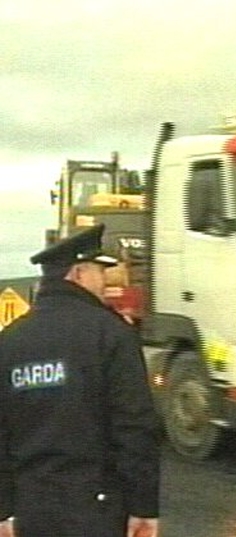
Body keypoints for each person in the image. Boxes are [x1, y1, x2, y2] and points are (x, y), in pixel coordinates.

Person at [0, 224, 160, 537]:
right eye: (100, 272)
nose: (105, 282)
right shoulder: (111, 335)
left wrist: (4, 510)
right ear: (78, 273)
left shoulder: (10, 341)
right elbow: (134, 427)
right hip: (98, 510)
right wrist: (144, 507)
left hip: (31, 510)